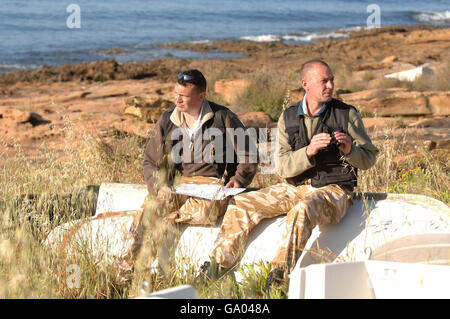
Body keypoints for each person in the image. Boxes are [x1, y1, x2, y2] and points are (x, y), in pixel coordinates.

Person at [201, 60, 379, 291]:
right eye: (324, 81)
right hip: (295, 188)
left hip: (334, 191)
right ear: (306, 84)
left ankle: (277, 279)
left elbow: (369, 159)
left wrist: (350, 150)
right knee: (243, 201)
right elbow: (283, 168)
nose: (330, 85)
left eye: (332, 79)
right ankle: (216, 269)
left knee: (302, 210)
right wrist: (309, 151)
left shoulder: (347, 115)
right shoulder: (289, 117)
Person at [141, 69, 258, 273]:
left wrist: (239, 179)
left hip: (211, 185)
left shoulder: (223, 117)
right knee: (149, 209)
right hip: (177, 185)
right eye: (175, 93)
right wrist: (158, 187)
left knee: (206, 212)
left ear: (201, 95)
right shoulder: (168, 119)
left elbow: (249, 154)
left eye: (184, 96)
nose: (178, 99)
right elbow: (150, 161)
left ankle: (169, 219)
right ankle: (127, 270)